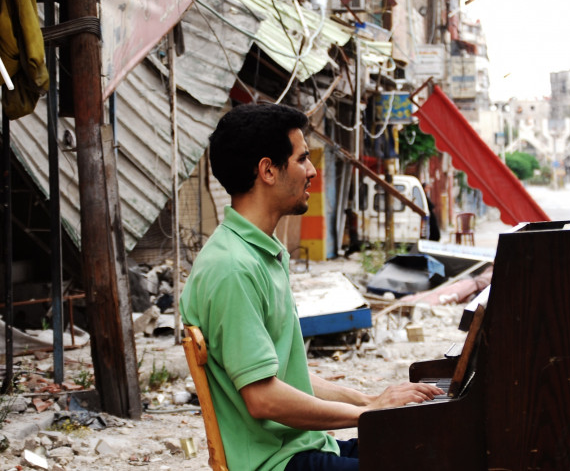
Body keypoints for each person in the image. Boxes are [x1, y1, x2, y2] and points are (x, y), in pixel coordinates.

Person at [179, 103, 444, 471]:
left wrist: (369, 400)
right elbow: (263, 398)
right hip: (275, 462)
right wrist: (365, 414)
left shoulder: (258, 253)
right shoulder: (232, 267)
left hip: (301, 447)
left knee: (429, 448)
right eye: (302, 159)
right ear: (268, 170)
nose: (312, 171)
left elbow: (288, 378)